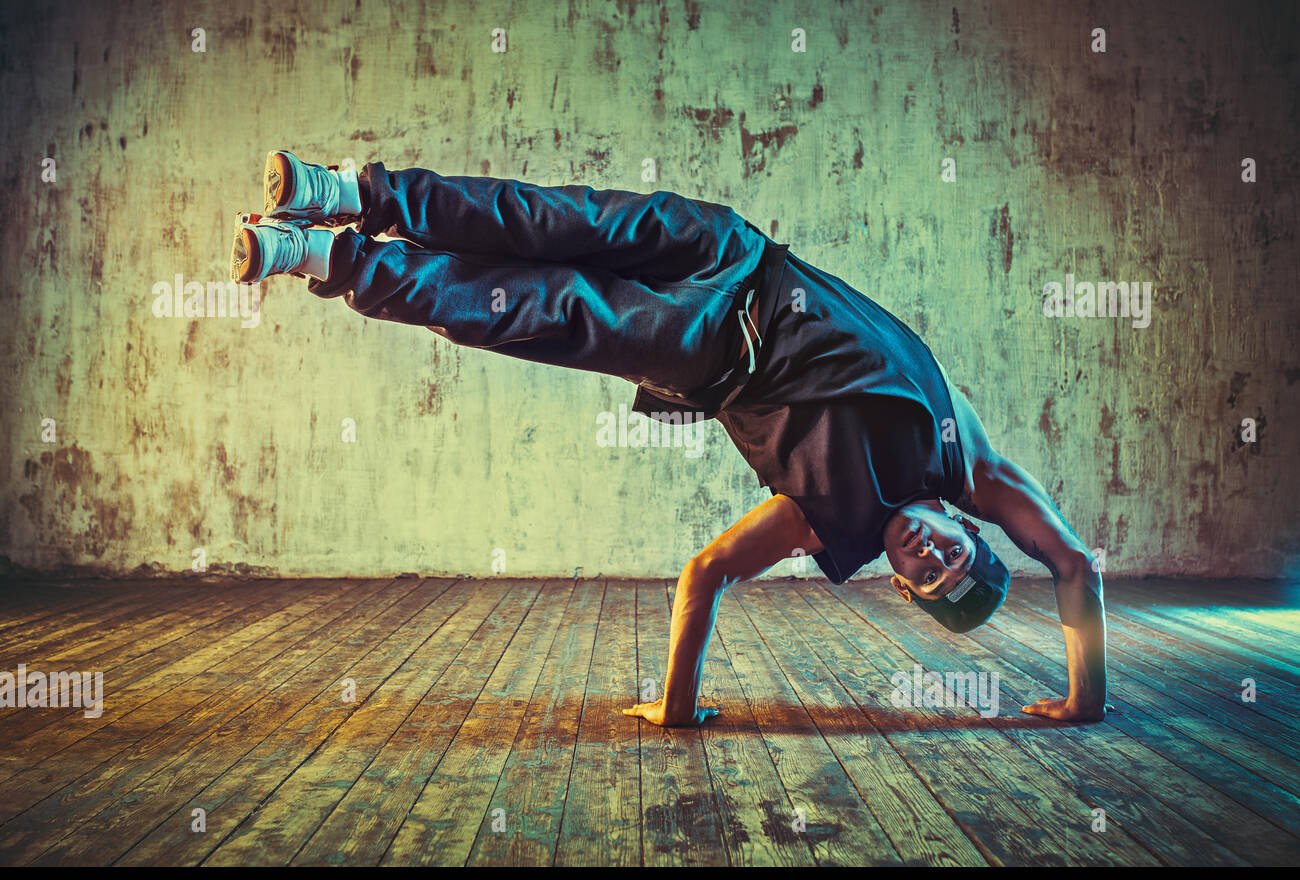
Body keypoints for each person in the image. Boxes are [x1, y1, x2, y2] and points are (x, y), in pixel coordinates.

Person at [231, 151, 1112, 727]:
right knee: (548, 219)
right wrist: (1086, 700)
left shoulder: (826, 525)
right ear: (970, 529)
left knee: (537, 306)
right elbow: (1075, 563)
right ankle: (346, 194)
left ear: (903, 589)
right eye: (955, 554)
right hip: (735, 252)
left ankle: (320, 260)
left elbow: (708, 572)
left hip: (706, 347)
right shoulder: (968, 460)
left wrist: (675, 705)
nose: (931, 554)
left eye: (928, 577)